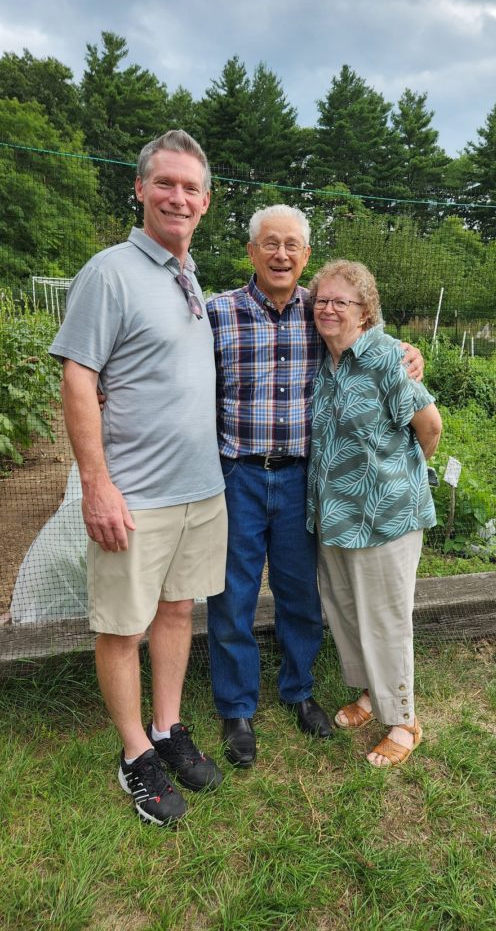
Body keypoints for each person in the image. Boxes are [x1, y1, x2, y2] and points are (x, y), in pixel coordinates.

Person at [49, 130, 227, 826]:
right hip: (135, 494)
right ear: (140, 189)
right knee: (123, 628)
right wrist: (97, 483)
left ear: (204, 202)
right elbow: (77, 375)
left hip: (197, 489)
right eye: (166, 184)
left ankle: (167, 727)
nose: (177, 197)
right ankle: (134, 757)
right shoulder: (111, 271)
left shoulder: (187, 274)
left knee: (177, 611)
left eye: (190, 188)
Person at [206, 205, 424, 768]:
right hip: (240, 475)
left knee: (304, 595)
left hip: (304, 478)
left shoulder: (319, 310)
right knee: (233, 595)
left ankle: (299, 693)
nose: (281, 254)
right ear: (251, 251)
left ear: (305, 256)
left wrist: (407, 352)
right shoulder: (216, 314)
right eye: (270, 244)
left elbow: (367, 333)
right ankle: (236, 707)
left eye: (293, 246)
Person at [306, 259, 442, 768]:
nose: (330, 308)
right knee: (346, 611)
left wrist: (401, 480)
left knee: (385, 619)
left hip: (385, 518)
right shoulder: (325, 361)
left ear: (366, 312)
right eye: (322, 299)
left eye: (343, 301)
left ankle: (404, 719)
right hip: (334, 517)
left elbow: (430, 427)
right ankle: (369, 696)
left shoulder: (388, 358)